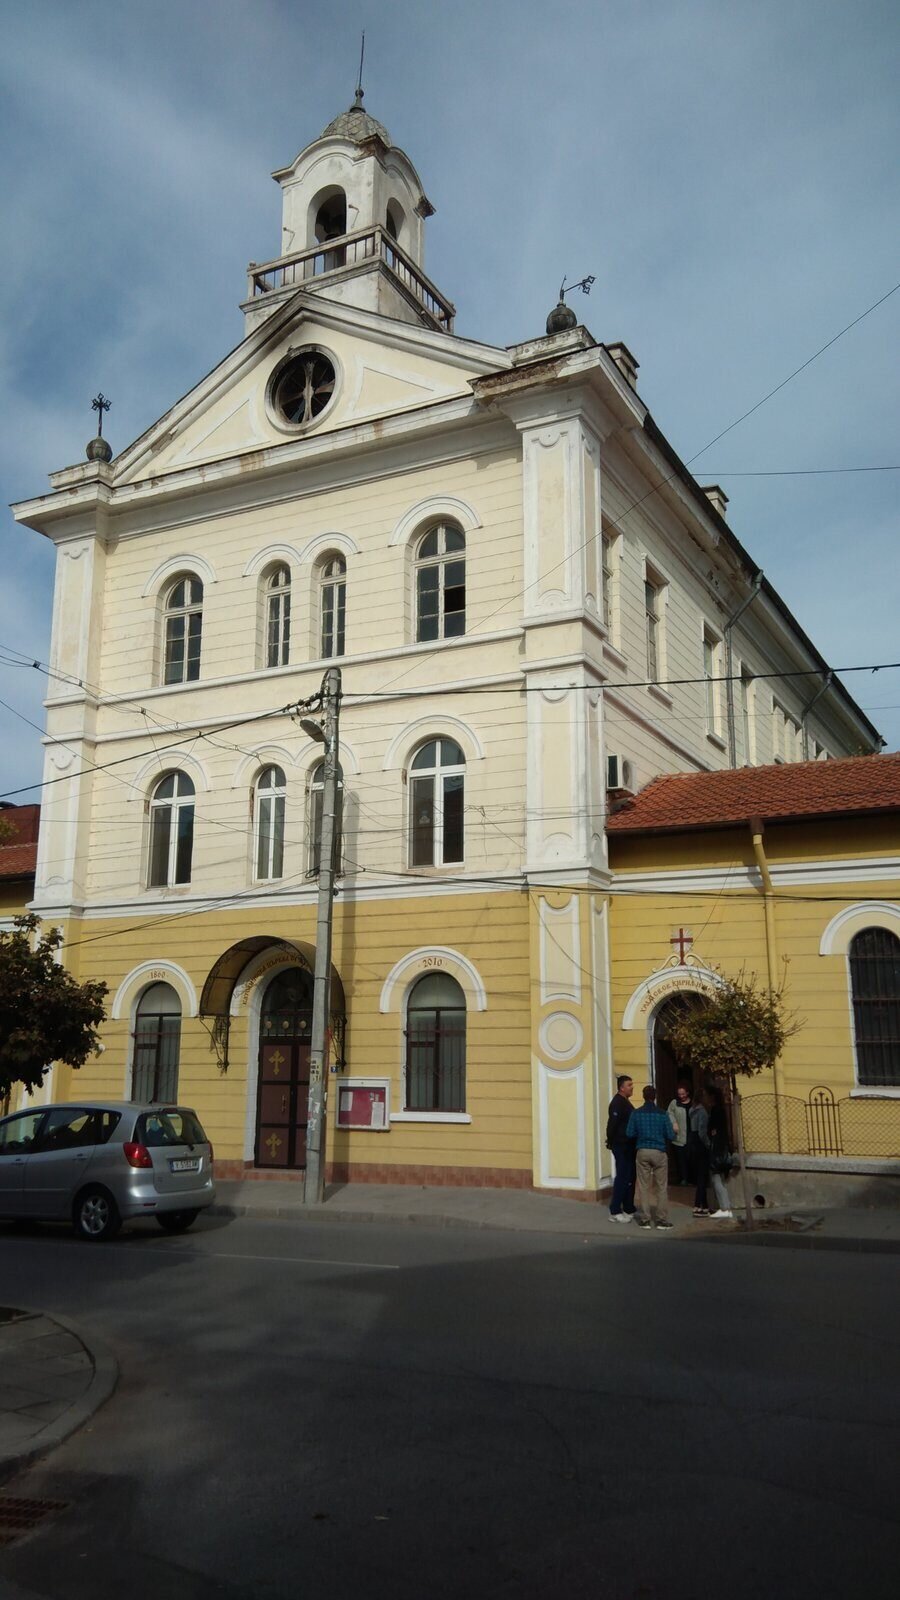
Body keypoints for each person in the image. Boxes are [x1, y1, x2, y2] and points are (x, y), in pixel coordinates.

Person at [626, 1085, 675, 1229]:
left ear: (643, 1096)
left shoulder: (636, 1113)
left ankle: (645, 1219)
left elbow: (629, 1133)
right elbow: (670, 1135)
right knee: (661, 1187)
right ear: (655, 1097)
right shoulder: (663, 1114)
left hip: (642, 1150)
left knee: (643, 1186)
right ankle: (661, 1220)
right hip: (659, 1151)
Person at [606, 1074, 636, 1220]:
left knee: (629, 1176)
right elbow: (612, 1124)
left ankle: (628, 1207)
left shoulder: (626, 1102)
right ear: (622, 1088)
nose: (632, 1087)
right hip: (621, 1145)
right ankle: (615, 1210)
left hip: (629, 1145)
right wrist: (611, 1141)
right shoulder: (617, 1103)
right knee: (622, 1176)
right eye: (629, 1085)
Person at [705, 1085, 734, 1219]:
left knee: (716, 1179)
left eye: (707, 1095)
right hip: (722, 1148)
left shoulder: (715, 1111)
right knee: (721, 1180)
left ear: (712, 1097)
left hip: (717, 1149)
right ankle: (726, 1207)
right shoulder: (722, 1110)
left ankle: (724, 1208)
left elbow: (712, 1129)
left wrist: (711, 1133)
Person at [688, 1092, 710, 1217]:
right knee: (703, 1177)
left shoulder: (691, 1110)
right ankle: (697, 1205)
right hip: (701, 1145)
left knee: (700, 1176)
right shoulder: (702, 1112)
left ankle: (704, 1205)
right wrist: (708, 1144)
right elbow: (702, 1132)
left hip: (693, 1142)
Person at [667, 1083, 692, 1185]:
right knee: (680, 1159)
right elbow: (669, 1113)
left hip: (691, 1135)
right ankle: (683, 1179)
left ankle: (691, 1178)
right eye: (679, 1094)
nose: (681, 1096)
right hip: (679, 1136)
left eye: (683, 1094)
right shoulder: (674, 1103)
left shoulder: (693, 1103)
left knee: (690, 1158)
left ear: (687, 1093)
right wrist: (674, 1123)